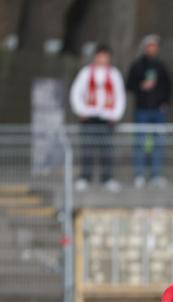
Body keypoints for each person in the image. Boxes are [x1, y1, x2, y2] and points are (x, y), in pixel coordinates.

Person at [69, 44, 126, 192]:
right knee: (87, 149)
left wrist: (116, 114)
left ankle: (107, 178)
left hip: (107, 117)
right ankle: (85, 177)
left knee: (107, 150)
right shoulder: (86, 72)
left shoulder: (114, 74)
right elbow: (76, 92)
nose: (102, 59)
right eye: (100, 56)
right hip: (89, 116)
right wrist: (80, 110)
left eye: (105, 56)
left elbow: (120, 95)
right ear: (95, 57)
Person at [125, 34, 172, 188]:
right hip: (142, 110)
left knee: (158, 143)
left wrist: (165, 103)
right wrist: (141, 86)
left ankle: (156, 175)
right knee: (140, 143)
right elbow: (129, 85)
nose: (152, 49)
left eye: (155, 46)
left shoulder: (161, 66)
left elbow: (168, 86)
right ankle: (139, 175)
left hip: (158, 111)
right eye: (150, 46)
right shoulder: (137, 66)